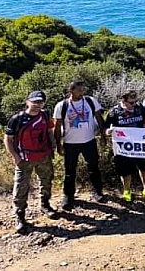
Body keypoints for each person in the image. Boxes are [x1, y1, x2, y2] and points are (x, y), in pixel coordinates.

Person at [6, 91, 57, 233]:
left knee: (46, 182)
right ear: (27, 102)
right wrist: (15, 156)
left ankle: (45, 205)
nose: (37, 105)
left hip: (44, 156)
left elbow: (49, 132)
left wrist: (53, 147)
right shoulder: (17, 119)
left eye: (40, 102)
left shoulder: (45, 115)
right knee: (21, 188)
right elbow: (8, 139)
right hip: (25, 159)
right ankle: (20, 216)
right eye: (34, 102)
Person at [53, 81, 105, 210]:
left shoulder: (90, 101)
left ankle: (97, 192)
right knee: (69, 171)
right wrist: (59, 145)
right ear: (71, 91)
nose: (81, 93)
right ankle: (68, 197)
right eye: (79, 90)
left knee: (93, 167)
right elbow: (57, 127)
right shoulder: (62, 105)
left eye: (83, 90)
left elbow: (99, 117)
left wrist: (103, 136)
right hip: (70, 143)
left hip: (89, 141)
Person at [105, 89, 145, 202]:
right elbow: (106, 127)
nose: (134, 105)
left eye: (135, 101)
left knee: (144, 166)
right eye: (131, 102)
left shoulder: (139, 108)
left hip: (139, 145)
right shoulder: (115, 112)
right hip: (124, 147)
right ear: (124, 101)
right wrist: (108, 131)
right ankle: (127, 190)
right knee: (125, 170)